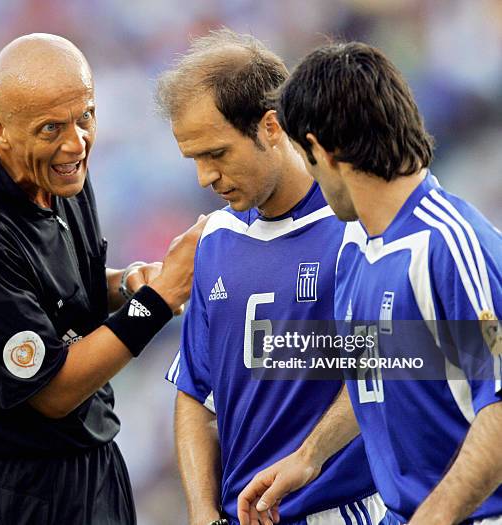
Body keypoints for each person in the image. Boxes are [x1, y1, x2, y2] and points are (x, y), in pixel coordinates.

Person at [0, 33, 206, 525]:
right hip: (16, 490)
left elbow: (64, 294)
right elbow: (51, 392)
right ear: (0, 129)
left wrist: (126, 286)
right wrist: (157, 301)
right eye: (51, 127)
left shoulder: (61, 168)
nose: (76, 141)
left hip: (94, 463)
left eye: (86, 116)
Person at [238, 42, 502, 524]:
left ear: (320, 149)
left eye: (305, 157)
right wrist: (309, 456)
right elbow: (395, 366)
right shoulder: (357, 247)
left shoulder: (448, 246)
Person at [156, 30, 395, 525]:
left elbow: (386, 366)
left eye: (217, 154)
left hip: (335, 511)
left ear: (270, 127)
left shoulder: (354, 231)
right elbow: (195, 395)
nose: (204, 177)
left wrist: (308, 455)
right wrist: (202, 512)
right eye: (194, 159)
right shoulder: (216, 238)